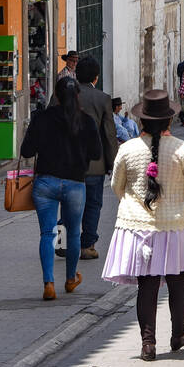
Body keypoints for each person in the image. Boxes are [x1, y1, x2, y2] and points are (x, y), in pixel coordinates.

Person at [103, 90, 184, 360]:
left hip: (138, 227)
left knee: (146, 286)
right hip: (177, 228)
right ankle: (178, 334)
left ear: (142, 122)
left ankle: (148, 344)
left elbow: (116, 186)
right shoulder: (183, 150)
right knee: (177, 281)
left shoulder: (127, 149)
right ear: (169, 122)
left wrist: (135, 203)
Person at [20, 76, 101, 300]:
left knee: (47, 233)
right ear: (78, 96)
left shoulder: (42, 118)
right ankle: (70, 279)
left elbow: (27, 151)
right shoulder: (86, 121)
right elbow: (96, 153)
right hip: (75, 183)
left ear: (56, 95)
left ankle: (48, 283)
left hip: (45, 183)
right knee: (74, 233)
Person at [75, 56, 118, 261]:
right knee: (92, 204)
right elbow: (109, 134)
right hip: (95, 164)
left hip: (65, 163)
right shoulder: (102, 99)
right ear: (96, 77)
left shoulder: (61, 96)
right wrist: (113, 163)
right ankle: (88, 245)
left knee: (68, 203)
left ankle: (65, 242)